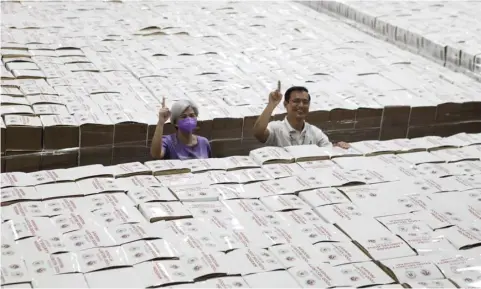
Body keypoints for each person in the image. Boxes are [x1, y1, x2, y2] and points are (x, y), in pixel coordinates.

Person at [253, 85, 350, 148]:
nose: (301, 105)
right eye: (296, 101)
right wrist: (271, 104)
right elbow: (258, 133)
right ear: (286, 104)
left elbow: (328, 151)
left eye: (305, 102)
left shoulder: (315, 132)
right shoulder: (276, 128)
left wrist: (338, 147)